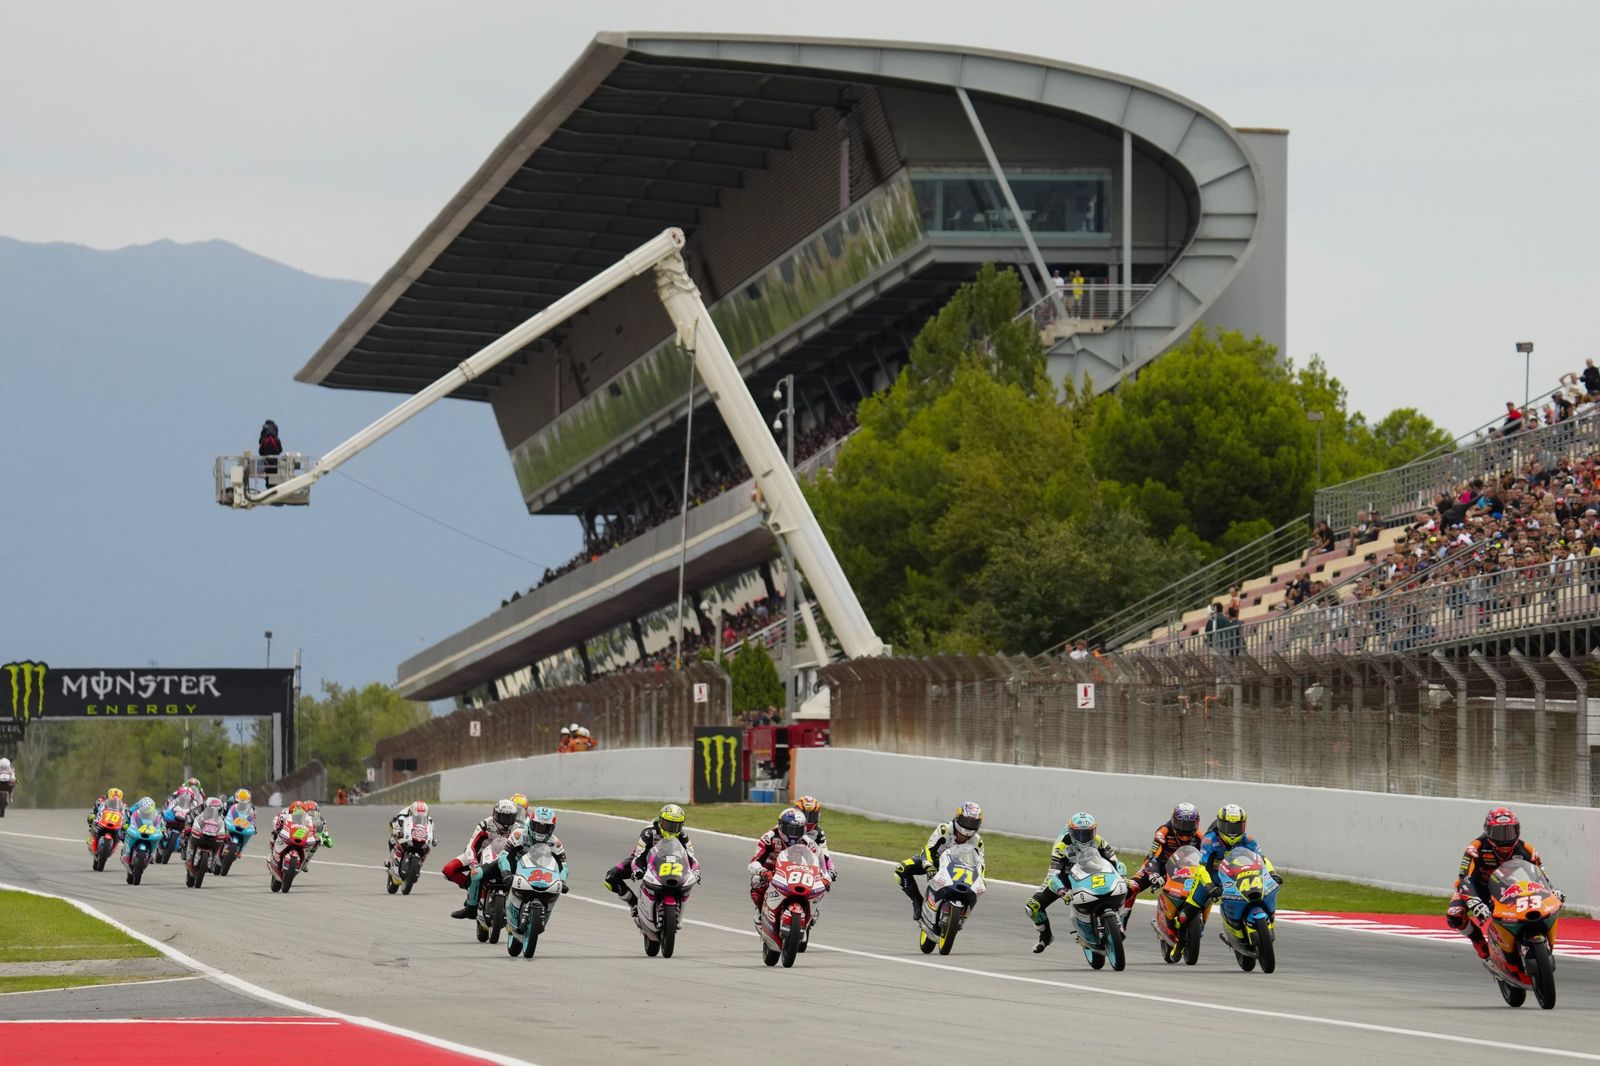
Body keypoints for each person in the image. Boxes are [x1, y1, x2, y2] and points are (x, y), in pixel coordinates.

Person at [1445, 807, 1563, 960]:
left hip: (1508, 887)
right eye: (1500, 833)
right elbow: (1464, 878)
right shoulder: (1475, 848)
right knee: (1454, 915)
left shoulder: (1527, 849)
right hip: (1478, 889)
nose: (1506, 838)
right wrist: (1474, 901)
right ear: (1488, 831)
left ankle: (1524, 940)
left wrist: (1552, 891)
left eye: (1510, 831)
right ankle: (1479, 943)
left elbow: (1541, 875)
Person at [1024, 811, 1120, 953]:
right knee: (1032, 907)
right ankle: (1045, 936)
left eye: (1087, 833)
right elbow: (1053, 875)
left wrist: (1122, 877)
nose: (1083, 838)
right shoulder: (1061, 847)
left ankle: (1119, 924)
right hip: (1065, 878)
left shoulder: (1099, 841)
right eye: (1079, 834)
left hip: (1093, 872)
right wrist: (1061, 890)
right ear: (1070, 832)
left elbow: (1115, 863)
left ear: (1094, 831)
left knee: (1126, 887)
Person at [1118, 803, 1203, 929]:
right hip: (1160, 866)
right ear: (1173, 821)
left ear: (1197, 824)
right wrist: (1154, 873)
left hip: (1185, 870)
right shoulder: (1163, 832)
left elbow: (1205, 860)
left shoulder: (1200, 837)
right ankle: (1120, 923)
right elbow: (1153, 856)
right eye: (1181, 824)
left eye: (1189, 825)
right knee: (1132, 887)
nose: (1185, 829)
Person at [603, 803, 696, 916]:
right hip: (645, 861)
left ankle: (678, 906)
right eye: (668, 825)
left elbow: (691, 857)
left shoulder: (683, 836)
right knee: (610, 878)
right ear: (661, 821)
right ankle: (634, 904)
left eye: (676, 826)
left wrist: (695, 870)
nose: (671, 830)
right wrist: (637, 869)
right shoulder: (649, 833)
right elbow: (638, 855)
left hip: (672, 863)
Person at [894, 802, 984, 920]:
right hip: (935, 863)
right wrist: (929, 866)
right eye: (966, 821)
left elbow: (980, 864)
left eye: (973, 823)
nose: (968, 827)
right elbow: (928, 849)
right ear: (958, 817)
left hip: (959, 869)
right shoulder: (944, 829)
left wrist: (981, 879)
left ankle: (962, 915)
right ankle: (917, 902)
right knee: (901, 870)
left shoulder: (978, 841)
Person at [444, 799, 520, 919]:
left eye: (509, 818)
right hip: (480, 855)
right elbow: (471, 846)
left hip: (506, 858)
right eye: (503, 817)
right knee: (449, 870)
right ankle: (471, 901)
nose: (506, 822)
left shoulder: (519, 828)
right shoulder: (485, 825)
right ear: (495, 815)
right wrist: (474, 863)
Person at [747, 807, 812, 918]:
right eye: (790, 830)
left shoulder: (806, 842)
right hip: (769, 871)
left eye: (798, 830)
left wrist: (825, 876)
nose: (794, 835)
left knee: (817, 891)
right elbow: (753, 862)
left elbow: (818, 862)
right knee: (757, 888)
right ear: (781, 826)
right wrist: (762, 871)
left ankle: (812, 914)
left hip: (796, 873)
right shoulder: (769, 837)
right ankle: (760, 913)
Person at [795, 794, 837, 881]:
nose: (809, 821)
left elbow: (825, 853)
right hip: (785, 864)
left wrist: (831, 870)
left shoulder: (818, 832)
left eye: (812, 816)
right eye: (805, 816)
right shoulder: (787, 827)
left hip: (808, 869)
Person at [258, 419, 283, 484]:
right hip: (275, 462)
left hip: (267, 463)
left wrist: (264, 455)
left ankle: (269, 484)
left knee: (268, 480)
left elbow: (260, 452)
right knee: (274, 480)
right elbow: (280, 450)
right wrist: (276, 454)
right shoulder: (277, 440)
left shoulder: (264, 440)